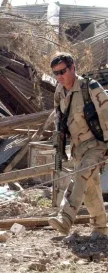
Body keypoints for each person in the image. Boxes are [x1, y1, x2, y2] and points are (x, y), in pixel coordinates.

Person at [48, 52, 108, 238]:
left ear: (73, 68)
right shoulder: (59, 92)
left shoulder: (89, 87)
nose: (60, 77)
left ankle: (65, 218)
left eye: (63, 71)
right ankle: (100, 227)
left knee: (80, 176)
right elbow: (59, 120)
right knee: (89, 187)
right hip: (77, 147)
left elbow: (107, 114)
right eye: (56, 73)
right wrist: (59, 145)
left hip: (97, 144)